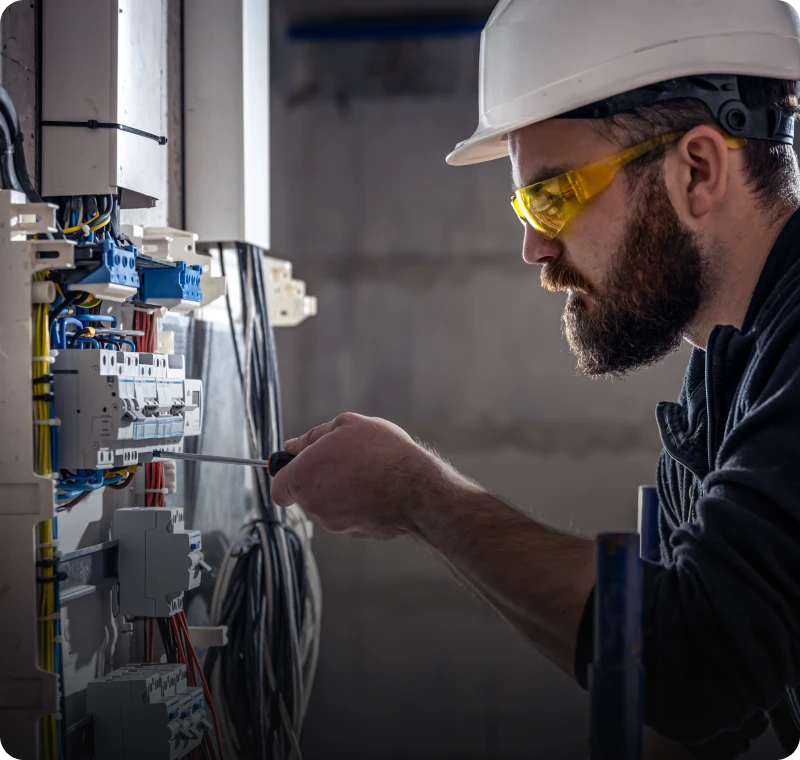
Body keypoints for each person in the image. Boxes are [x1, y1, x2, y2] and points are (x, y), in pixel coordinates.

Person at [271, 1, 800, 756]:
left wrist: (420, 495)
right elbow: (687, 702)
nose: (533, 246)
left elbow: (700, 657)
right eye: (525, 204)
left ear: (698, 169)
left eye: (553, 196)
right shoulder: (726, 381)